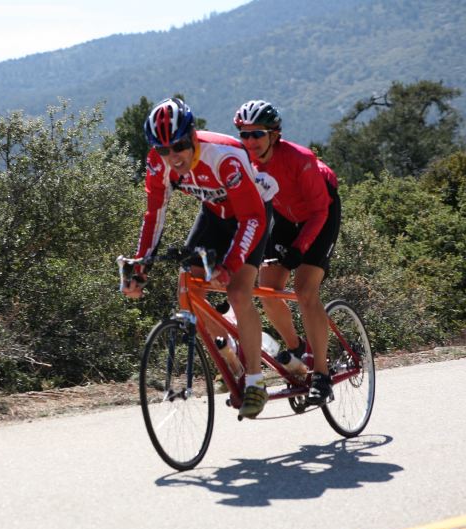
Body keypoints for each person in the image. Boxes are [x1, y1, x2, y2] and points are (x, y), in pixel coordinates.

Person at [121, 98, 276, 419]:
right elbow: (155, 213)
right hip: (214, 216)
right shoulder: (158, 161)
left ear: (192, 136)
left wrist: (230, 265)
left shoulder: (224, 157)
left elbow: (252, 218)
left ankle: (257, 381)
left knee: (237, 291)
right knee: (189, 294)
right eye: (163, 150)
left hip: (251, 216)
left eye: (178, 146)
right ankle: (227, 351)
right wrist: (141, 264)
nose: (172, 157)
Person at [233, 99, 341, 405]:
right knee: (267, 290)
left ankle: (322, 375)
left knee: (305, 291)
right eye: (245, 134)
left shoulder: (300, 159)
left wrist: (299, 249)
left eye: (257, 134)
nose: (250, 141)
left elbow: (319, 211)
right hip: (284, 218)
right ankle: (296, 348)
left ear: (274, 135)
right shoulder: (245, 162)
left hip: (320, 216)